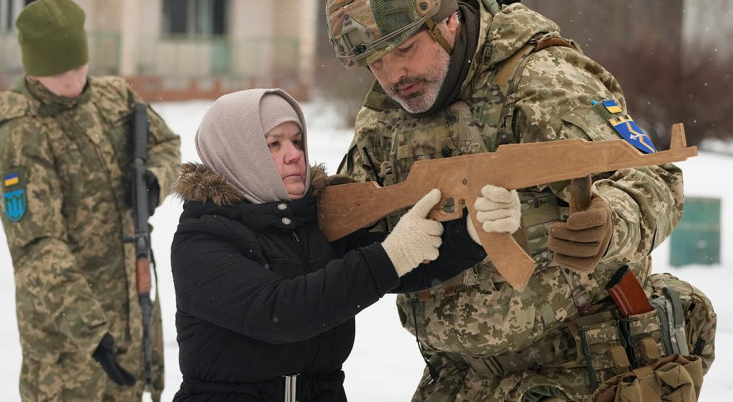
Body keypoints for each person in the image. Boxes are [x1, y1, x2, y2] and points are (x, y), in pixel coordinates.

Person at [325, 0, 717, 401]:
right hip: (458, 379)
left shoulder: (540, 79)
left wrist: (611, 222)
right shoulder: (384, 119)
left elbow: (652, 176)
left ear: (448, 19)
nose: (393, 76)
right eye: (376, 62)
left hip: (580, 370)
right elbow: (344, 219)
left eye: (406, 49)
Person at [169, 88, 519, 401]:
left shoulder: (315, 219)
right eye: (273, 144)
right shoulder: (202, 238)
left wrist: (473, 231)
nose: (293, 155)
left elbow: (407, 263)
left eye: (297, 141)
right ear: (238, 153)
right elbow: (282, 313)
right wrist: (393, 255)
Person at [0, 0, 181, 401]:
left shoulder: (113, 99)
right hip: (69, 347)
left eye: (78, 66)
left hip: (132, 314)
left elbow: (166, 145)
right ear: (35, 71)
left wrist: (154, 181)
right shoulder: (19, 135)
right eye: (59, 73)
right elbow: (38, 250)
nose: (73, 81)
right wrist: (91, 333)